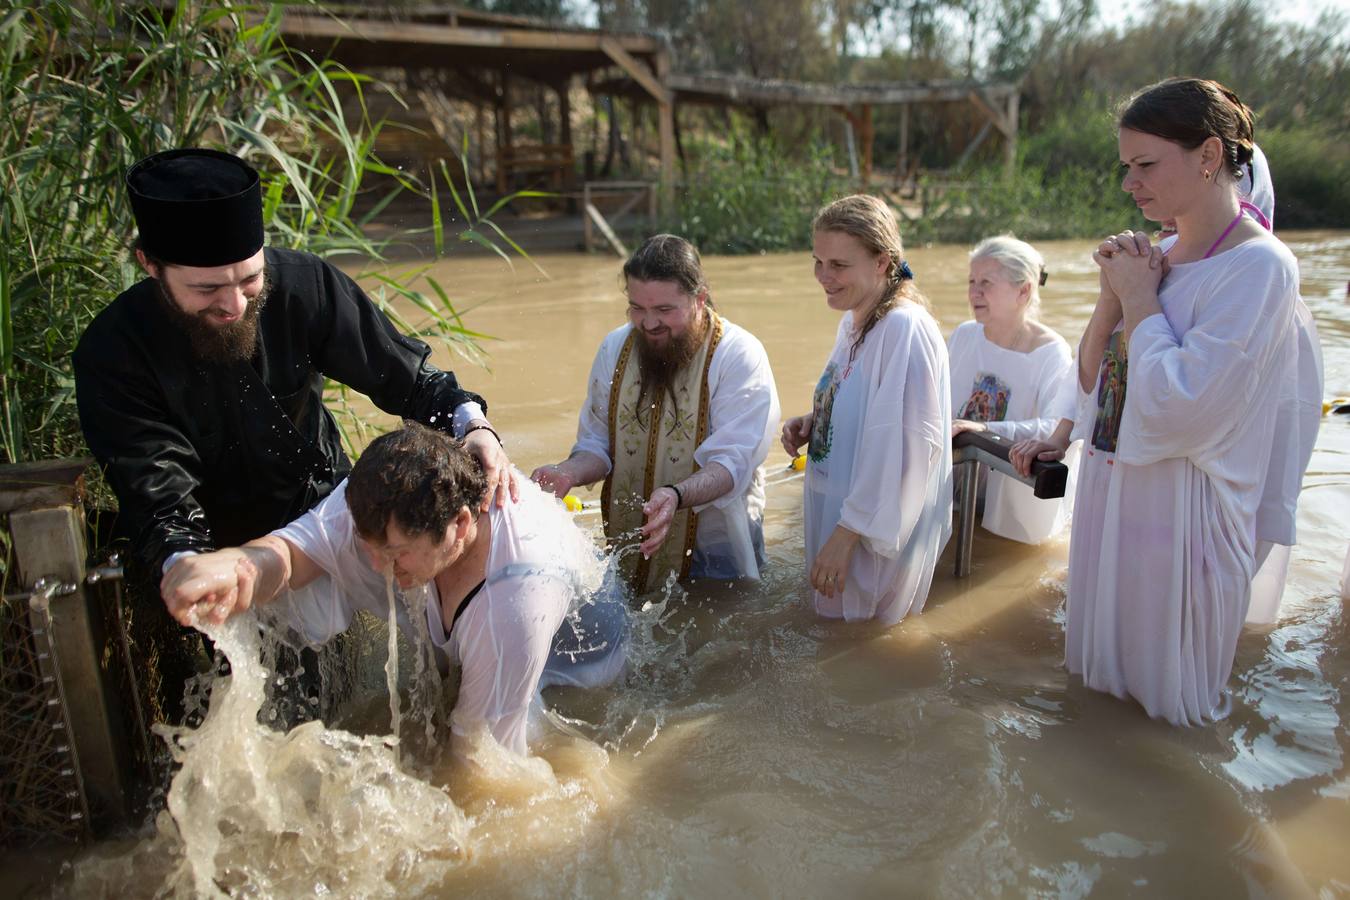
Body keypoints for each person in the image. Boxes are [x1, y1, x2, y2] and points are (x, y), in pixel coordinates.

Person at [73, 148, 516, 593]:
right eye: (207, 289)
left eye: (249, 280)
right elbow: (154, 488)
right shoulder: (113, 352)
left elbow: (408, 379)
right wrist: (184, 562)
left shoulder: (303, 286)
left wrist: (472, 424)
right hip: (213, 548)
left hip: (320, 517)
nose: (234, 305)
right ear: (150, 265)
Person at [160, 424, 628, 757]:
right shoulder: (376, 504)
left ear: (461, 523)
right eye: (369, 546)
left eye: (397, 553)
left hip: (577, 675)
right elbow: (292, 556)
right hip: (491, 620)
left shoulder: (516, 594)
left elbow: (484, 766)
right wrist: (232, 567)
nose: (376, 565)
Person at [1065, 77, 1300, 724]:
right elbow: (1091, 383)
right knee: (1094, 702)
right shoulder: (1155, 256)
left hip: (1185, 518)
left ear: (1208, 157)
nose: (1129, 183)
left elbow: (1182, 407)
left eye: (1145, 165)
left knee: (1169, 721)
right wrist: (1113, 298)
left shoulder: (1260, 268)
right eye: (1125, 167)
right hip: (1112, 497)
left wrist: (1140, 300)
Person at [1011, 143, 1322, 624]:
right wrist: (1061, 432)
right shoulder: (1155, 268)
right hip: (1126, 494)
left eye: (1148, 167)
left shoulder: (1261, 288)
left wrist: (1242, 535)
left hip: (1198, 512)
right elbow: (1107, 376)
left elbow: (1281, 434)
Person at [530, 235, 779, 593]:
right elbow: (596, 445)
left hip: (718, 551)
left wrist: (675, 495)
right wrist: (566, 473)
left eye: (665, 310)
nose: (648, 324)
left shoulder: (738, 355)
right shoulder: (615, 347)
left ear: (700, 299)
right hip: (630, 547)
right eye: (637, 308)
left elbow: (731, 465)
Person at [781, 195, 951, 625]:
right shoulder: (855, 320)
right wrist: (816, 418)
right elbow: (863, 406)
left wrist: (846, 535)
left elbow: (902, 445)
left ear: (882, 262)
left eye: (838, 265)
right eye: (818, 261)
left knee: (857, 646)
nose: (823, 276)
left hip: (866, 537)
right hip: (842, 519)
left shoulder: (903, 327)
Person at [949, 235, 1076, 544]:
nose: (974, 293)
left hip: (1010, 492)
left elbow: (1055, 428)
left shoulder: (1050, 351)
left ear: (1024, 290)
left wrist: (982, 428)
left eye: (986, 283)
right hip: (953, 479)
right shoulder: (965, 335)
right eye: (971, 282)